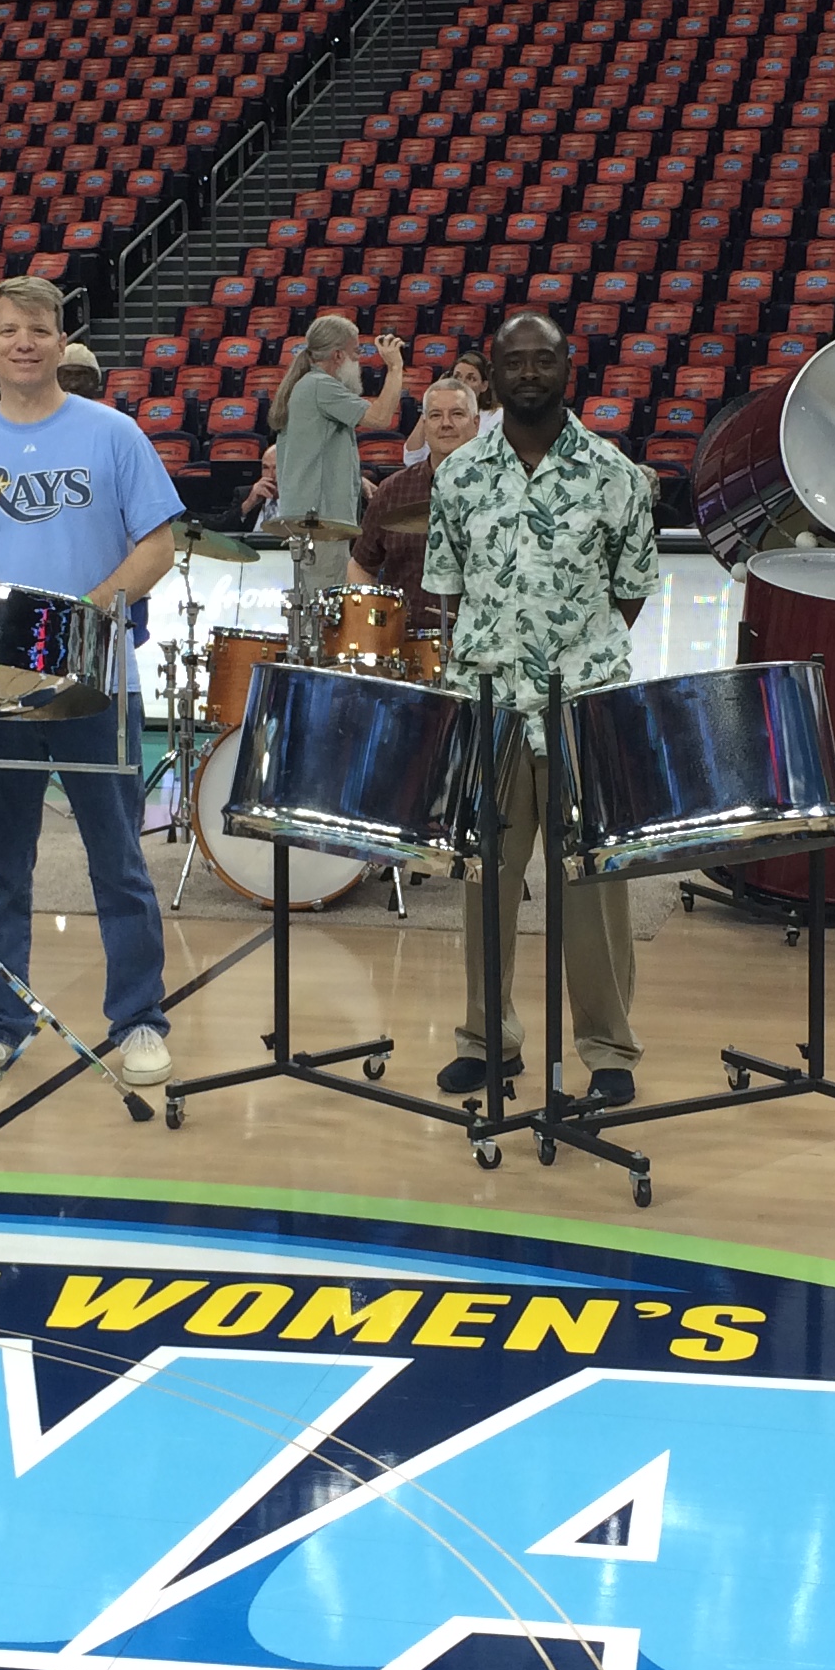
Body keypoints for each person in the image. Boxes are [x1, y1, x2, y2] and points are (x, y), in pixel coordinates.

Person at [0, 274, 182, 1090]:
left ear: (61, 343)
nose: (23, 342)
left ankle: (138, 1020)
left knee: (118, 859)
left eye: (39, 329)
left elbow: (157, 546)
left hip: (99, 685)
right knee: (0, 863)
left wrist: (80, 619)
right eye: (8, 330)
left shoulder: (113, 434)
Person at [426, 312, 661, 1105]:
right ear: (492, 373)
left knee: (592, 884)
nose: (530, 372)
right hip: (488, 705)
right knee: (485, 880)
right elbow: (449, 591)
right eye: (514, 361)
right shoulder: (455, 475)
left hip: (581, 706)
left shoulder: (616, 473)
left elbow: (630, 594)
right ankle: (489, 1042)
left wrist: (570, 656)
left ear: (569, 369)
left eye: (544, 359)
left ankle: (607, 1050)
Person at [266, 314, 404, 588]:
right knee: (323, 611)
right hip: (321, 525)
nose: (359, 360)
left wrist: (356, 480)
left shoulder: (307, 384)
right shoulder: (321, 385)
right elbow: (380, 418)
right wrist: (395, 368)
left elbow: (312, 454)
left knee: (312, 609)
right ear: (338, 356)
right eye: (356, 352)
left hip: (312, 523)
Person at [351, 374, 479, 629]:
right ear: (424, 425)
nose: (445, 424)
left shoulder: (503, 489)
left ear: (475, 424)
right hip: (407, 644)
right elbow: (361, 565)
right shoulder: (394, 491)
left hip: (482, 645)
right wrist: (374, 625)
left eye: (457, 414)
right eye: (435, 415)